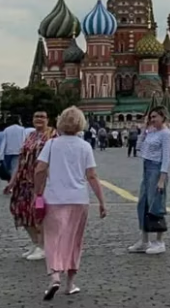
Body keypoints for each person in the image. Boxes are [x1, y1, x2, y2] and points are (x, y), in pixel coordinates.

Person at [34, 107, 107, 300]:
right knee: (74, 241)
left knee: (53, 239)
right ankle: (71, 283)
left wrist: (37, 191)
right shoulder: (85, 146)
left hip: (55, 199)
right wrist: (101, 201)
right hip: (79, 199)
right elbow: (92, 175)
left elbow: (40, 169)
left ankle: (55, 277)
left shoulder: (51, 144)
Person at [4, 111, 57, 261]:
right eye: (36, 117)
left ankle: (43, 246)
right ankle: (35, 243)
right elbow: (21, 160)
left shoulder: (53, 136)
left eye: (42, 117)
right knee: (21, 211)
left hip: (41, 183)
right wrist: (12, 181)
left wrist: (46, 182)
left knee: (39, 213)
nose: (39, 119)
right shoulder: (31, 135)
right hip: (23, 182)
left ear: (48, 119)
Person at [129, 106, 170, 255]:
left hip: (157, 169)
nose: (152, 119)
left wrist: (162, 179)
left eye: (155, 117)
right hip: (146, 168)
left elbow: (166, 158)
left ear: (163, 117)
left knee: (156, 205)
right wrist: (143, 130)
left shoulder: (166, 134)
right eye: (151, 117)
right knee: (143, 204)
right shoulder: (151, 132)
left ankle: (160, 241)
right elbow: (139, 147)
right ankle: (144, 240)